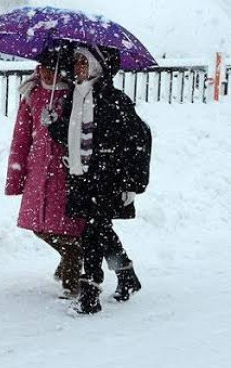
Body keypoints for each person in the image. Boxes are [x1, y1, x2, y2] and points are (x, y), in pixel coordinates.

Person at [47, 46, 151, 314]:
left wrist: (131, 183)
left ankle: (90, 291)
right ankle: (126, 274)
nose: (78, 65)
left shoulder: (114, 100)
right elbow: (70, 136)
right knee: (100, 228)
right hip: (81, 176)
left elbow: (137, 141)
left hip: (107, 176)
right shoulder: (74, 97)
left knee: (92, 232)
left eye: (83, 61)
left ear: (97, 66)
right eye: (76, 61)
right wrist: (53, 124)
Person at [6, 47, 85, 299]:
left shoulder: (75, 95)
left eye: (50, 68)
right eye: (41, 67)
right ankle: (71, 256)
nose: (44, 73)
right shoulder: (32, 94)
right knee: (38, 225)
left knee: (65, 226)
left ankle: (71, 278)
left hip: (64, 171)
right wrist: (16, 176)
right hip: (37, 170)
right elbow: (20, 138)